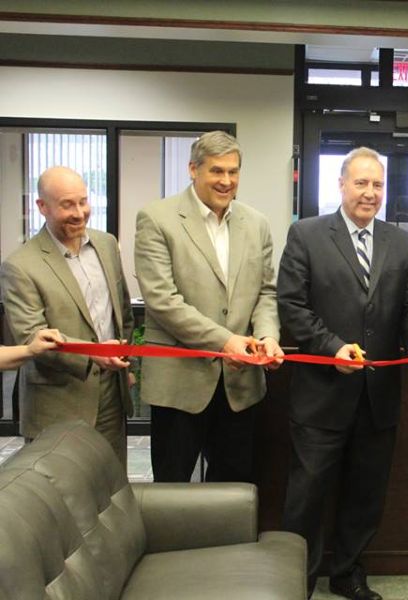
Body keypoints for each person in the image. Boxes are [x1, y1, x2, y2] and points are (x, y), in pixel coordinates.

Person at [278, 147, 408, 600]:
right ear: (342, 185)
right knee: (306, 498)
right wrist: (333, 347)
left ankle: (347, 573)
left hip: (377, 398)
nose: (370, 193)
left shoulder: (400, 242)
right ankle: (296, 583)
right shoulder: (306, 235)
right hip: (321, 396)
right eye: (362, 183)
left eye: (378, 185)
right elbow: (292, 306)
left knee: (365, 495)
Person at [134, 130, 283, 483]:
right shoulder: (156, 218)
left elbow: (266, 293)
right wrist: (225, 341)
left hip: (240, 385)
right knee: (172, 491)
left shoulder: (257, 224)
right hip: (179, 387)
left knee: (233, 490)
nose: (226, 181)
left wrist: (267, 336)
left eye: (233, 172)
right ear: (193, 169)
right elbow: (162, 300)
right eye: (217, 171)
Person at [1, 166, 134, 466]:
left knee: (112, 489)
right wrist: (95, 355)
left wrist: (126, 364)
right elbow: (30, 336)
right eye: (67, 205)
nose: (79, 213)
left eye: (83, 202)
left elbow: (122, 312)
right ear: (42, 207)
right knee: (62, 498)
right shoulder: (20, 266)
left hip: (113, 394)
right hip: (58, 403)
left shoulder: (107, 245)